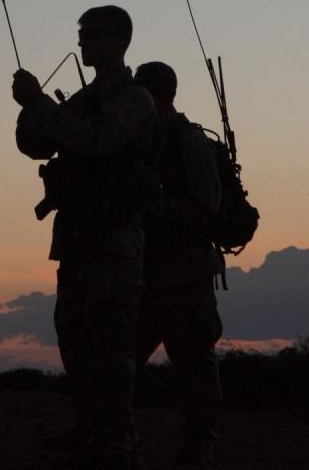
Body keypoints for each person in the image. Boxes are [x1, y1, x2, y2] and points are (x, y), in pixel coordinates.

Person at [12, 6, 156, 469]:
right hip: (76, 236)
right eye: (81, 35)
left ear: (118, 41)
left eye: (91, 35)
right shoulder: (84, 98)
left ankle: (116, 436)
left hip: (114, 236)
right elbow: (36, 144)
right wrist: (31, 107)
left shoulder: (135, 99)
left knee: (111, 343)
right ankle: (90, 425)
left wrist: (42, 106)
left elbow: (96, 141)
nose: (83, 43)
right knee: (73, 335)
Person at [133, 61, 223, 468]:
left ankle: (200, 445)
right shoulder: (145, 140)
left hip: (185, 272)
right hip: (146, 272)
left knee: (193, 365)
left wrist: (155, 205)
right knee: (122, 358)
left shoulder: (188, 142)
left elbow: (206, 207)